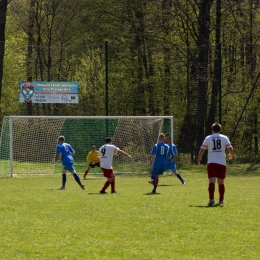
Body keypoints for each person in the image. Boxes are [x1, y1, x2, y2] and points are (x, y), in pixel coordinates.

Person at [197, 123, 233, 206]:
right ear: (220, 130)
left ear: (212, 130)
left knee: (211, 181)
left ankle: (211, 199)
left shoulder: (208, 138)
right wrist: (231, 155)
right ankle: (221, 200)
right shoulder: (224, 138)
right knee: (221, 182)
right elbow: (230, 148)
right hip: (222, 163)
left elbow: (202, 149)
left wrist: (199, 158)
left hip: (212, 162)